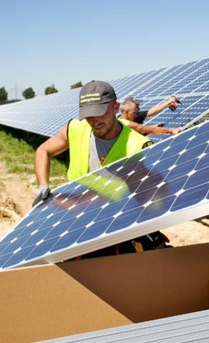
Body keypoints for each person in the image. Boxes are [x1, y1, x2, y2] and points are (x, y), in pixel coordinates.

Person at [32, 80, 168, 256]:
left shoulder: (139, 145)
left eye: (99, 113)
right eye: (88, 115)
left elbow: (140, 198)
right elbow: (43, 150)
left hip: (118, 227)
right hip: (80, 222)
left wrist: (80, 201)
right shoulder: (76, 129)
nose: (94, 121)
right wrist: (43, 185)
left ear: (115, 107)